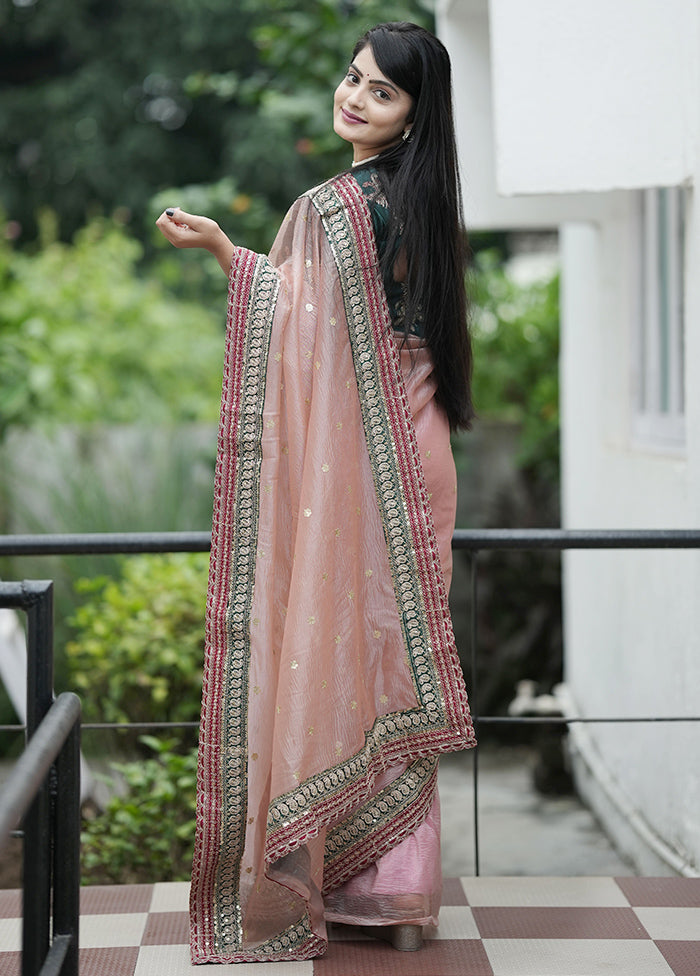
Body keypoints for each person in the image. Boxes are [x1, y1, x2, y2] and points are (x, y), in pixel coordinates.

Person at [156, 21, 476, 965]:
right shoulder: (427, 203)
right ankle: (402, 901)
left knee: (331, 651)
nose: (353, 97)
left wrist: (225, 252)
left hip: (368, 471)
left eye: (380, 92)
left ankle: (324, 885)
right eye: (353, 79)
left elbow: (297, 320)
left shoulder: (343, 206)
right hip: (423, 457)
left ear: (415, 115)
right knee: (389, 663)